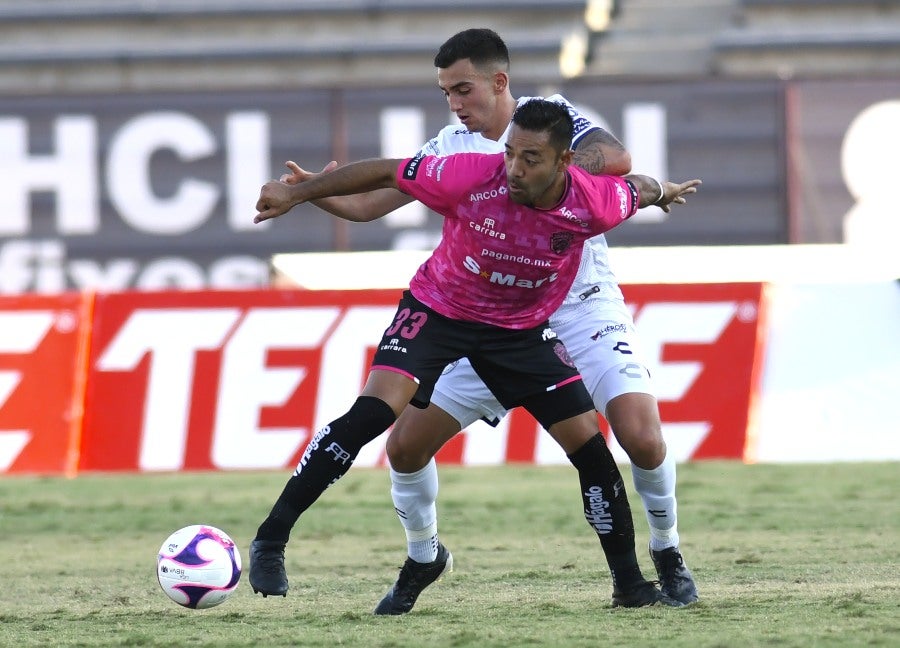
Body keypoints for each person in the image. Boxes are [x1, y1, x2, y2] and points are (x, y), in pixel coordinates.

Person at [270, 29, 700, 612]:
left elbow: (619, 165)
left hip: (579, 306)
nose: (455, 104)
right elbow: (372, 202)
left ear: (499, 83)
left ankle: (666, 553)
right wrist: (310, 191)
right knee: (404, 449)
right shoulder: (455, 152)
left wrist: (547, 178)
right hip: (486, 318)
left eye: (464, 89)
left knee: (641, 438)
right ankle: (424, 555)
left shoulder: (551, 120)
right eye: (446, 92)